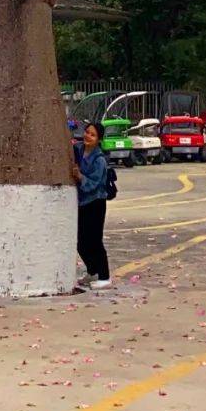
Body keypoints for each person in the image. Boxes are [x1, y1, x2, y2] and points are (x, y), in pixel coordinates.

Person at [73, 121, 111, 289]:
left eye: (93, 135)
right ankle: (92, 270)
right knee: (81, 241)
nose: (88, 136)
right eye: (87, 132)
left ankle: (104, 276)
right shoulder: (79, 150)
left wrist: (80, 177)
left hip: (96, 202)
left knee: (95, 240)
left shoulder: (99, 160)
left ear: (99, 140)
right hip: (82, 202)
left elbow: (95, 184)